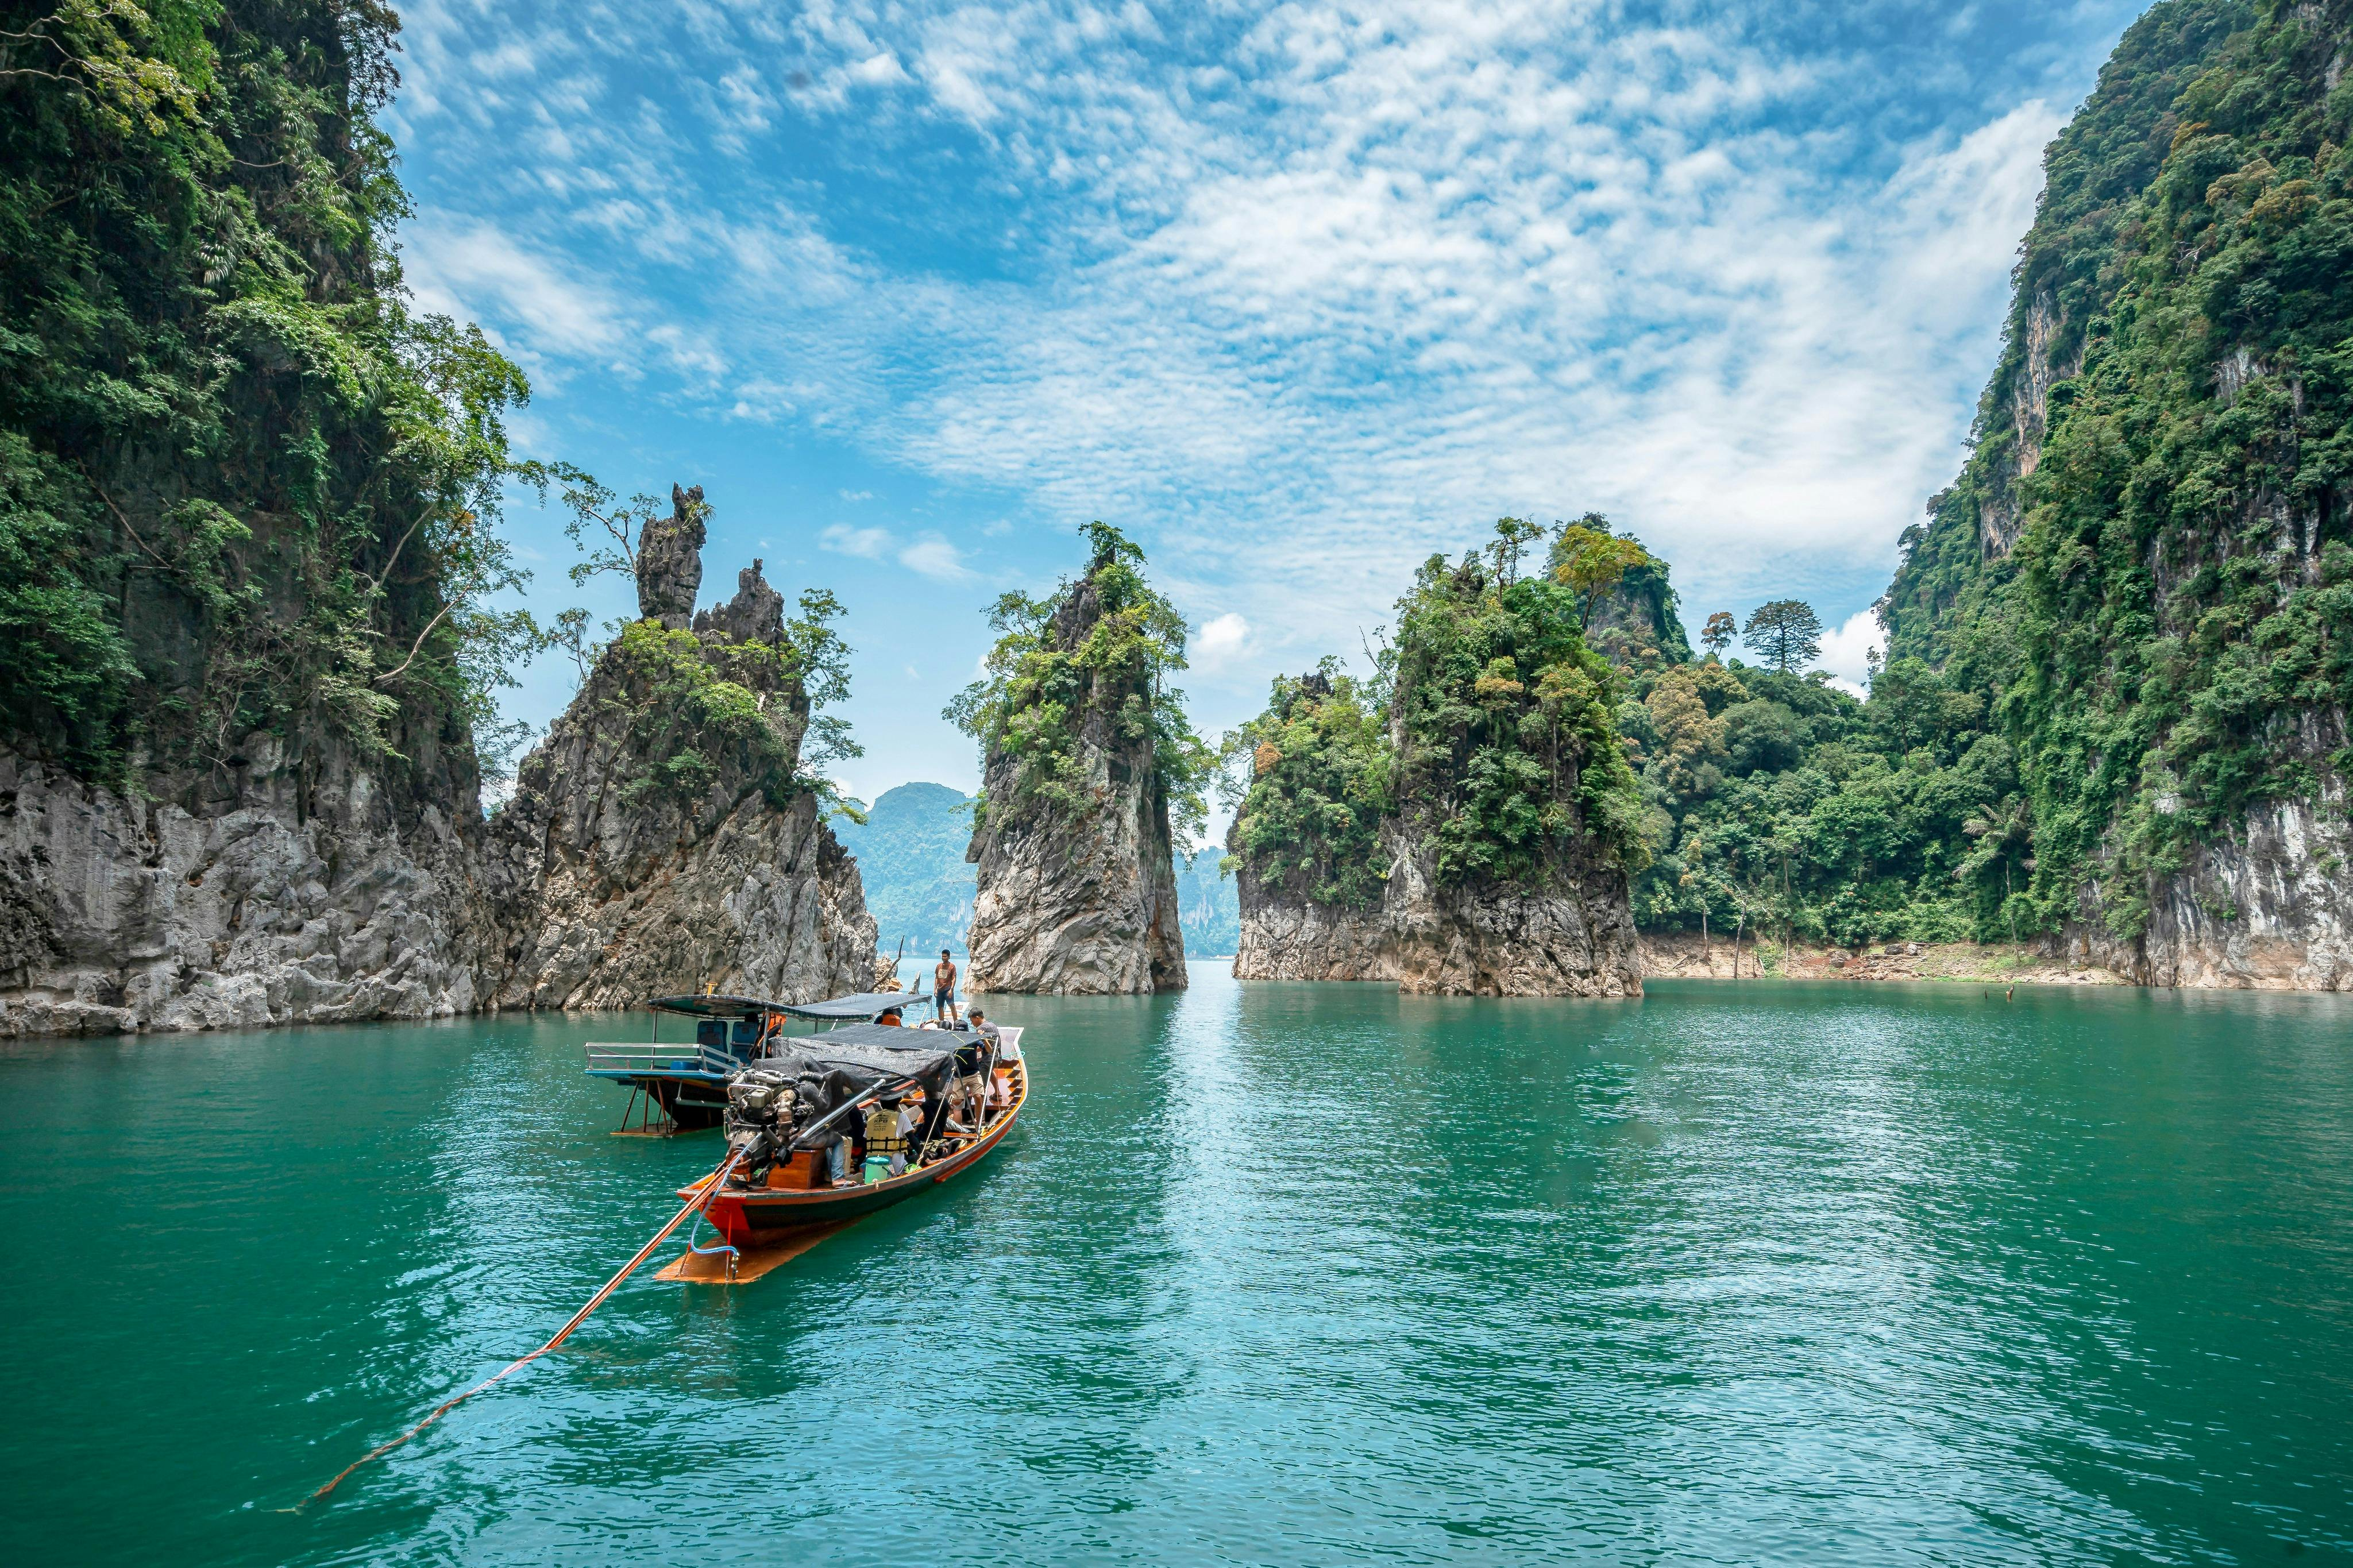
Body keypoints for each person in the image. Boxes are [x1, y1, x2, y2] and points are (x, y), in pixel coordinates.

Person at [863, 1091, 909, 1181]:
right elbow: (912, 1138)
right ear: (897, 1106)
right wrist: (926, 1159)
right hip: (894, 1168)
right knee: (911, 1158)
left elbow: (865, 1141)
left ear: (881, 1104)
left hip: (872, 1162)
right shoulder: (901, 1117)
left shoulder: (872, 1118)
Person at [933, 949, 958, 1025]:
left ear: (949, 957)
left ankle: (956, 1022)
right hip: (940, 990)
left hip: (948, 989)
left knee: (951, 1005)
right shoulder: (939, 966)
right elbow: (937, 978)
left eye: (945, 957)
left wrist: (951, 989)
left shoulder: (952, 966)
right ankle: (942, 1023)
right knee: (940, 1007)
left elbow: (954, 978)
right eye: (942, 956)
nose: (944, 958)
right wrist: (935, 989)